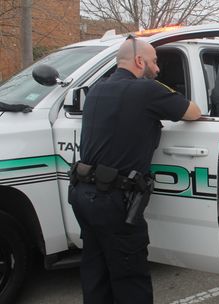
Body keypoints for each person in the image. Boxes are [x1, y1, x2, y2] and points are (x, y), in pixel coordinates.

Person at [68, 36, 201, 304]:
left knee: (96, 271)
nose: (158, 68)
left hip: (83, 194)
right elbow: (194, 112)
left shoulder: (96, 89)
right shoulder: (147, 90)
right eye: (154, 61)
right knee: (130, 279)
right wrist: (161, 88)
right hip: (115, 202)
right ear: (139, 61)